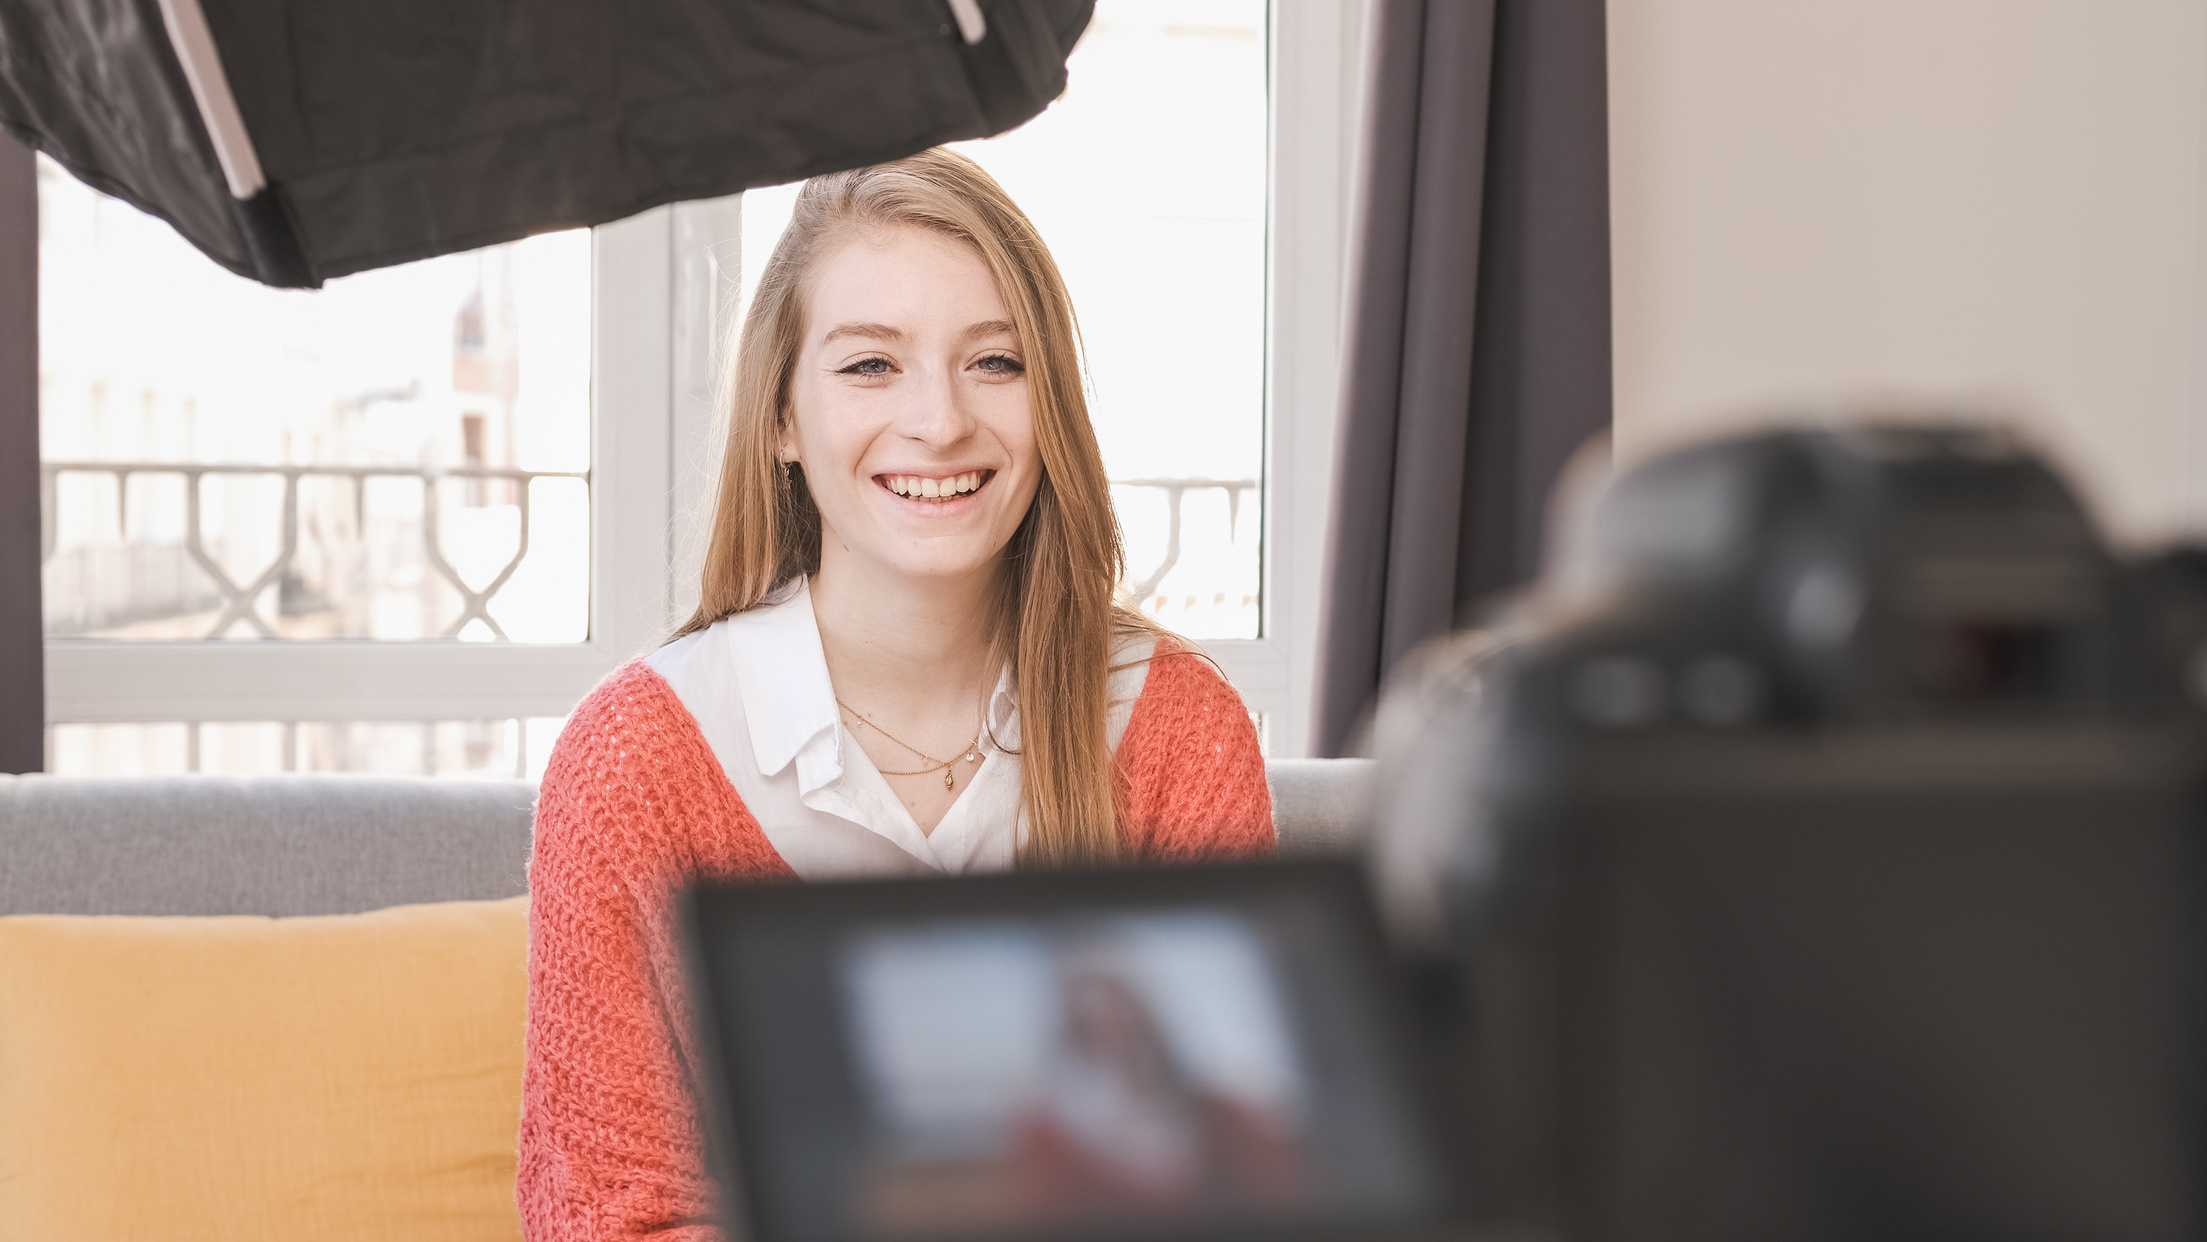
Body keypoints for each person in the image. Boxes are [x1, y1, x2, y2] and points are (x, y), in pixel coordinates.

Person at [516, 148, 1275, 1240]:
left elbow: (1243, 1186)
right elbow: (608, 1215)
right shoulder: (636, 759)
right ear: (782, 418)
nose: (939, 422)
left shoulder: (1176, 732)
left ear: (1046, 404)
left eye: (994, 363)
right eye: (871, 365)